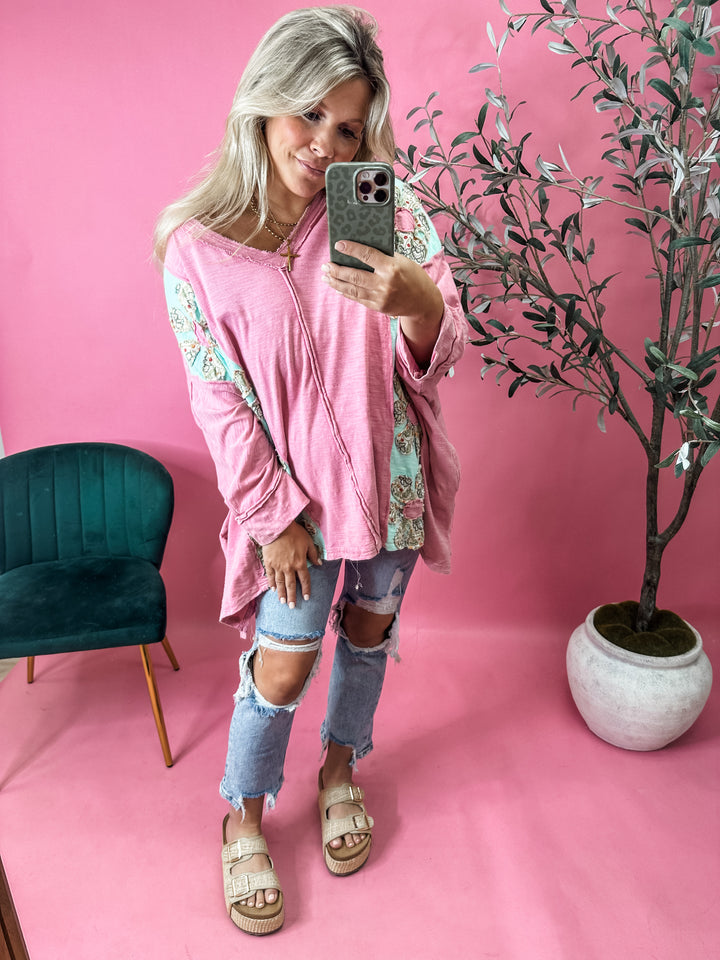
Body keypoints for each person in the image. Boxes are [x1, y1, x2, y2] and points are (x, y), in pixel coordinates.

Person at [154, 5, 465, 936]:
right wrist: (272, 517)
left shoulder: (380, 206)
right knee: (284, 667)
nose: (325, 143)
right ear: (265, 100)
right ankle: (244, 815)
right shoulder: (197, 247)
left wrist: (420, 303)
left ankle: (339, 771)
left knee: (368, 634)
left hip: (391, 480)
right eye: (309, 113)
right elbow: (218, 399)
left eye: (349, 128)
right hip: (293, 508)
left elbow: (437, 355)